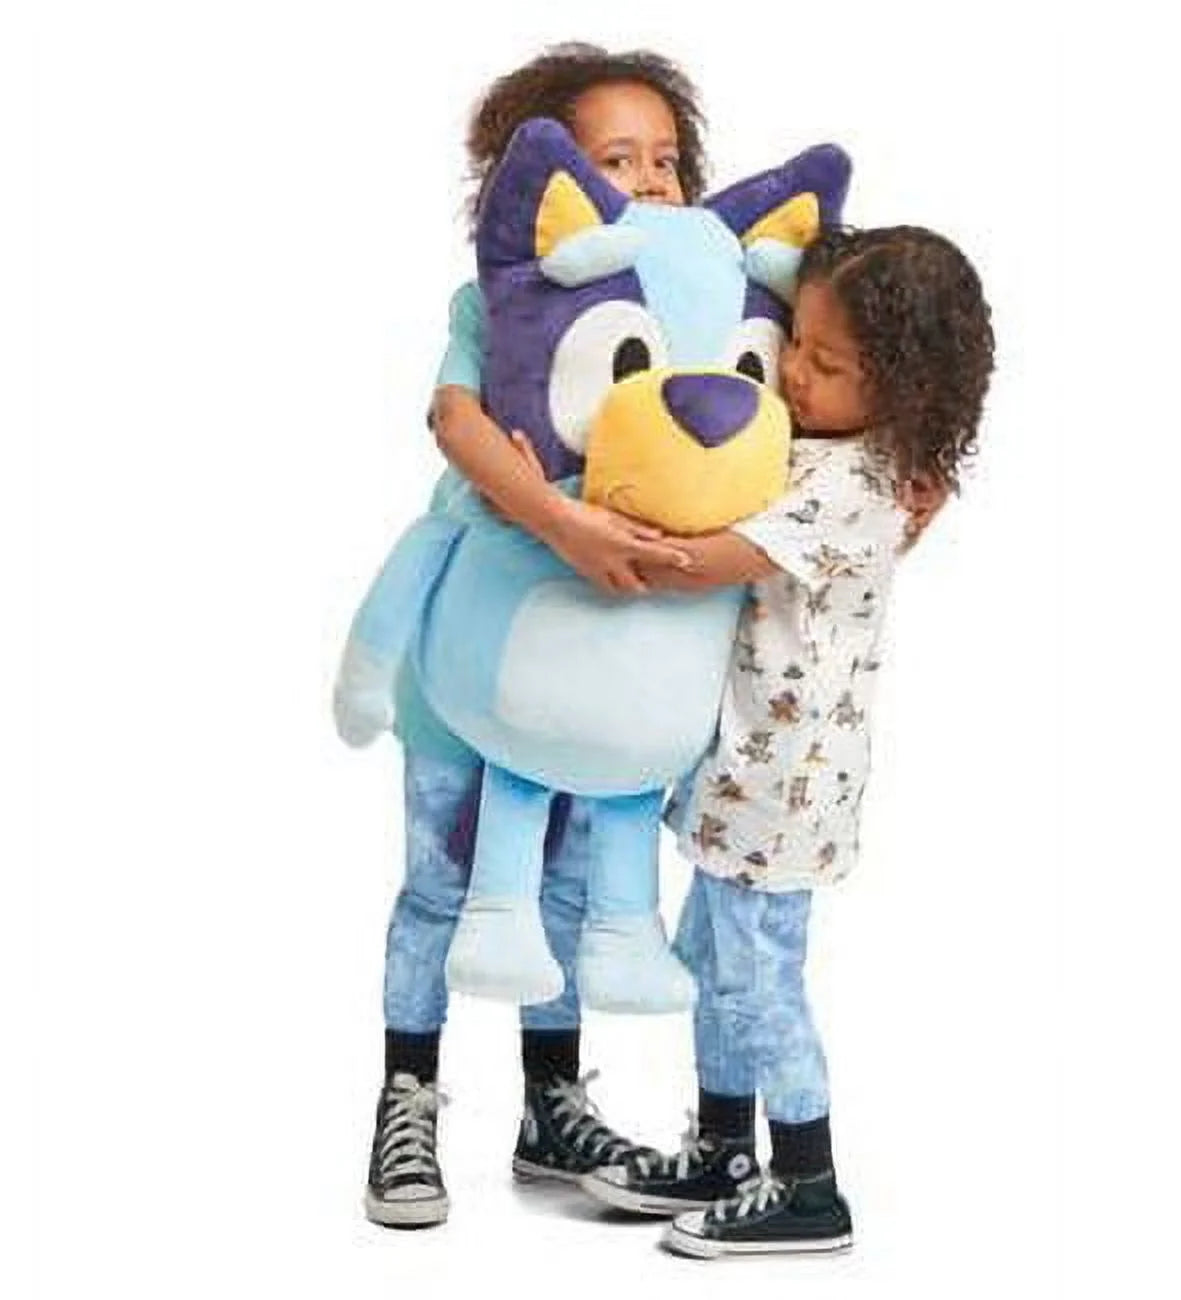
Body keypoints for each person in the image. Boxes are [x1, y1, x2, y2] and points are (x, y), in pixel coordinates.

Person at [574, 224, 996, 1258]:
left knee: (761, 983)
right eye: (794, 345)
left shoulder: (854, 485)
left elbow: (714, 559)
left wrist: (601, 535)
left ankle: (808, 1182)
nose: (796, 374)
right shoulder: (834, 454)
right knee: (714, 961)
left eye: (828, 363)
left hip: (781, 787)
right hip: (741, 776)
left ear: (903, 385)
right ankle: (725, 1146)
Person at [365, 43, 710, 1229]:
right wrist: (558, 518)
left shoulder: (686, 304)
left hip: (600, 664)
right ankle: (407, 1097)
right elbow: (454, 417)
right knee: (441, 878)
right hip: (472, 654)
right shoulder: (498, 300)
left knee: (566, 880)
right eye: (618, 159)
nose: (651, 180)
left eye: (666, 159)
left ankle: (550, 1102)